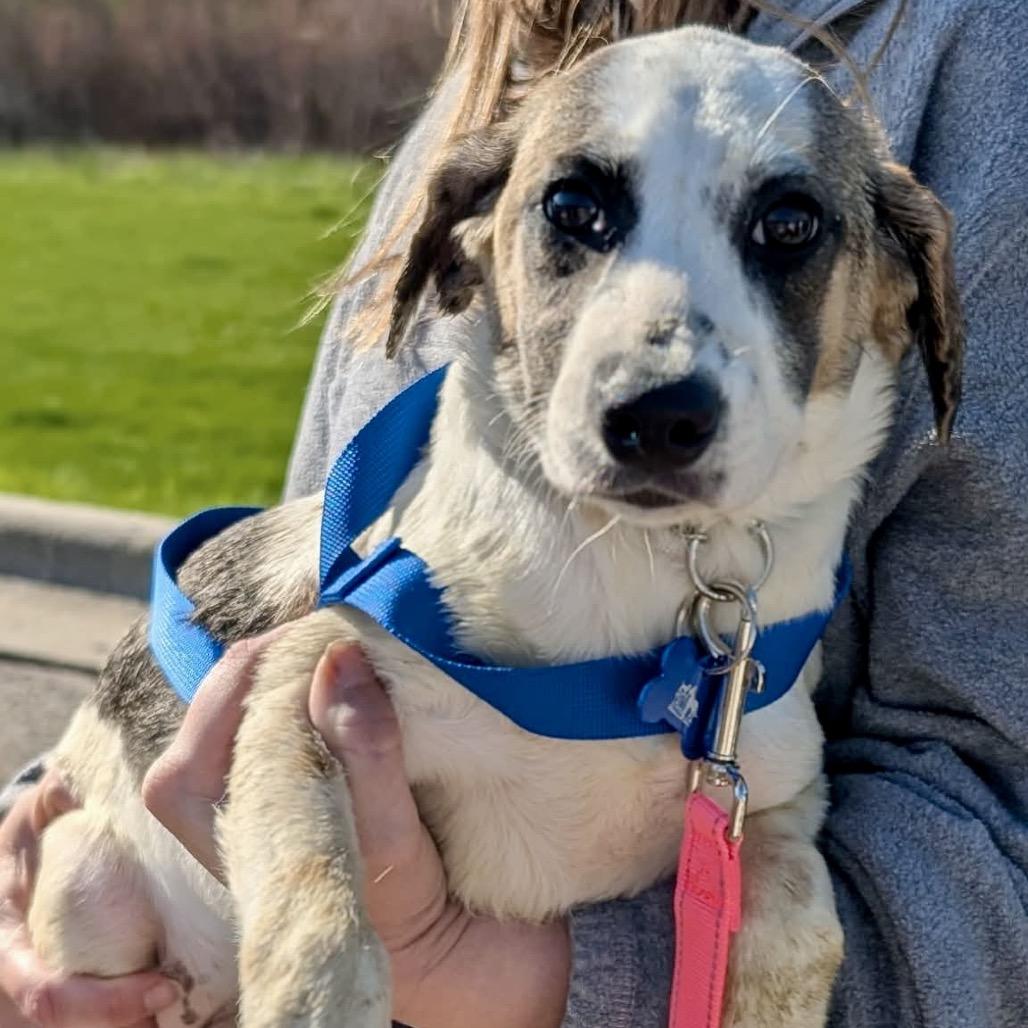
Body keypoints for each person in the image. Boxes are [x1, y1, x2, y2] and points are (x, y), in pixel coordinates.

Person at [2, 1, 1027, 1025]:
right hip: (139, 903)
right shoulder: (501, 74)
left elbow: (988, 818)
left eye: (784, 229)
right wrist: (29, 838)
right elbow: (288, 601)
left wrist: (446, 959)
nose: (656, 376)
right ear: (467, 250)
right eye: (575, 215)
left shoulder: (987, 66)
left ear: (902, 291)